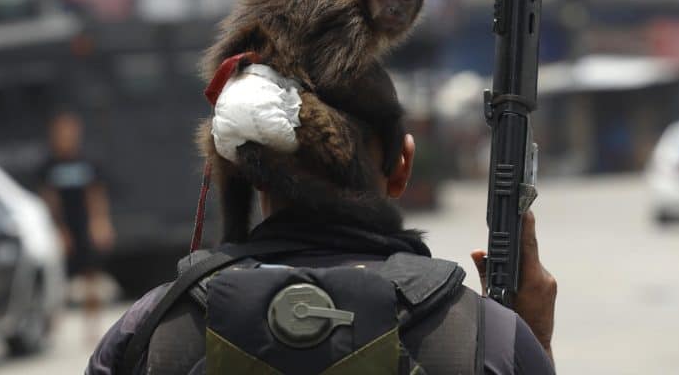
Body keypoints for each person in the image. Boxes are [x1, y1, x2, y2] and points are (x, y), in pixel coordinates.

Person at [87, 66, 557, 374]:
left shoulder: (149, 332)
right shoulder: (484, 338)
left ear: (251, 169)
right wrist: (529, 340)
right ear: (402, 167)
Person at [37, 110, 115, 340]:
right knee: (58, 279)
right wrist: (58, 230)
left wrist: (100, 223)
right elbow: (48, 199)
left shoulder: (88, 162)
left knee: (91, 279)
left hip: (84, 227)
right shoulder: (48, 166)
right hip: (62, 227)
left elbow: (96, 195)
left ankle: (91, 328)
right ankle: (53, 327)